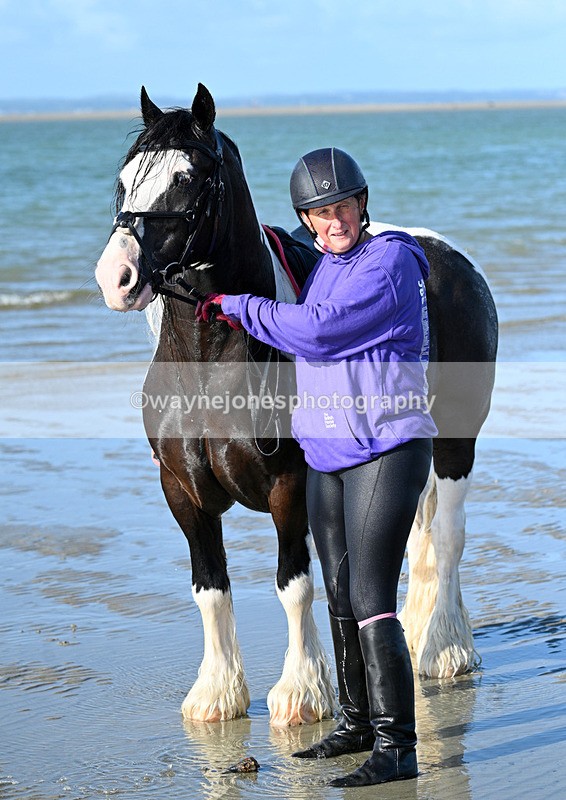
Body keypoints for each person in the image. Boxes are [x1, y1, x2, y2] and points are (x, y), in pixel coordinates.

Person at [196, 147, 436, 787]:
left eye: (343, 207)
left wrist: (240, 306)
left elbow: (321, 331)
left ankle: (397, 747)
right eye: (320, 213)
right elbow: (299, 330)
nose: (334, 221)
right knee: (338, 590)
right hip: (329, 454)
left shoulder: (389, 262)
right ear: (306, 218)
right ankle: (356, 723)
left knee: (371, 598)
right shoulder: (327, 266)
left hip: (387, 448)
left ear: (363, 203)